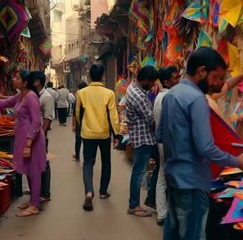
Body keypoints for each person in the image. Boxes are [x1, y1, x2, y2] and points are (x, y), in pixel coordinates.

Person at [157, 47, 243, 239]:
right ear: (202, 71)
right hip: (193, 182)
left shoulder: (172, 94)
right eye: (216, 77)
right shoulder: (197, 99)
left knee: (173, 231)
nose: (217, 83)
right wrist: (239, 162)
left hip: (174, 177)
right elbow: (205, 147)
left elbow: (160, 135)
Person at [0, 70, 47, 217]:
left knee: (34, 172)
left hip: (32, 140)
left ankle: (34, 206)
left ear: (25, 83)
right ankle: (33, 200)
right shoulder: (21, 95)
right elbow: (6, 102)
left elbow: (37, 122)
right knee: (28, 170)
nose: (13, 79)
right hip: (23, 138)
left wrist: (28, 144)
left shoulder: (31, 97)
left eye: (17, 78)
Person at [75, 64, 119, 211]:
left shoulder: (82, 93)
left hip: (87, 134)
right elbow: (113, 117)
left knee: (88, 163)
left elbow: (78, 114)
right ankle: (103, 191)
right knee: (106, 161)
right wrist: (117, 134)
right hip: (104, 133)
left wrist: (81, 128)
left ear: (89, 77)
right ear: (102, 76)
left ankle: (88, 191)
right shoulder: (109, 93)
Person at [126, 65, 160, 218]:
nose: (153, 85)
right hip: (144, 138)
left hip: (144, 137)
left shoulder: (134, 88)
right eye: (152, 82)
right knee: (138, 172)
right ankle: (134, 205)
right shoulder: (139, 95)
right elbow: (151, 119)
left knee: (161, 162)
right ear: (145, 80)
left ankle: (151, 197)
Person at [154, 66, 181, 226]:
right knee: (169, 177)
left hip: (162, 142)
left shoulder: (159, 97)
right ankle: (168, 213)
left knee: (162, 176)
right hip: (170, 142)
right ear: (166, 82)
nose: (178, 80)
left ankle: (162, 212)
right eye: (175, 78)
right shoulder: (170, 96)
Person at [31, 71, 54, 203]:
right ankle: (36, 189)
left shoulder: (46, 97)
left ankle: (45, 192)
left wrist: (42, 135)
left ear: (37, 82)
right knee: (35, 162)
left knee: (43, 162)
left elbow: (48, 117)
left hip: (40, 135)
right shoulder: (33, 95)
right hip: (32, 135)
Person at [72, 82, 88, 161]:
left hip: (79, 121)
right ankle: (86, 157)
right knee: (86, 140)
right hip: (87, 121)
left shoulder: (78, 97)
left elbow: (75, 113)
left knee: (78, 140)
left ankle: (77, 155)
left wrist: (73, 125)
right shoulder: (89, 97)